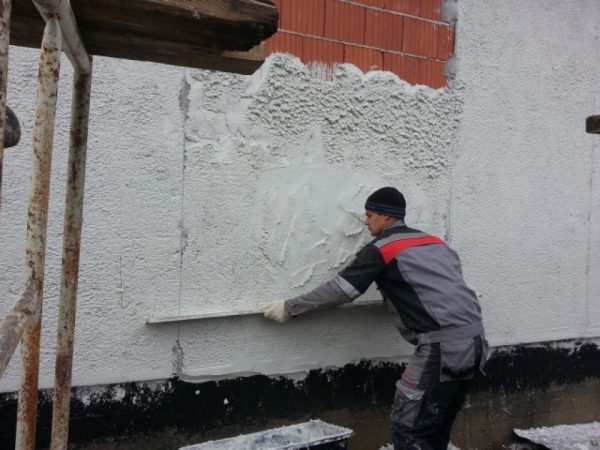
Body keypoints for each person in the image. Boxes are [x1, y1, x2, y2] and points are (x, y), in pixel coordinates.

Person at [263, 186, 487, 450]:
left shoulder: (382, 249)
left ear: (387, 216)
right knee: (437, 425)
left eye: (370, 215)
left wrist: (289, 308)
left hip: (441, 349)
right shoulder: (435, 243)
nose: (365, 221)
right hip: (476, 343)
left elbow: (341, 290)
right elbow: (435, 290)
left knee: (410, 428)